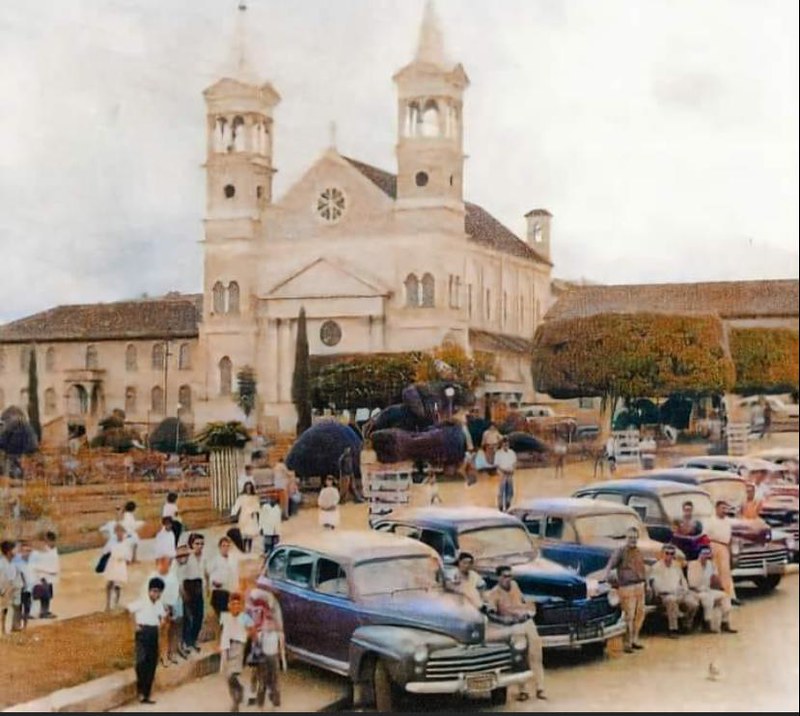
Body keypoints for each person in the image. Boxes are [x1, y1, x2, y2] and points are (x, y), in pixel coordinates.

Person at [485, 566, 546, 702]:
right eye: (505, 576)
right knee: (520, 657)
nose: (508, 579)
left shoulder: (515, 585)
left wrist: (527, 612)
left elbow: (522, 602)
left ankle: (540, 688)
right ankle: (522, 690)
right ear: (498, 577)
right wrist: (507, 620)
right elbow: (491, 613)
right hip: (513, 626)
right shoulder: (494, 593)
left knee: (536, 655)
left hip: (526, 622)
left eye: (509, 576)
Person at [604, 526, 647, 653]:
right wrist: (607, 579)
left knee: (640, 614)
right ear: (626, 538)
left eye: (634, 537)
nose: (632, 540)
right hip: (627, 587)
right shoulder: (621, 551)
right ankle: (627, 643)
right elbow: (610, 566)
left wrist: (646, 584)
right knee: (629, 615)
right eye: (630, 537)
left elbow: (642, 569)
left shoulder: (638, 551)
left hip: (640, 586)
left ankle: (635, 640)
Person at [128, 576, 166, 705]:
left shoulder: (159, 603)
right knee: (141, 663)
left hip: (153, 632)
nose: (156, 594)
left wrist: (161, 622)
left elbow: (162, 616)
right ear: (149, 591)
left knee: (152, 663)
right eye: (154, 591)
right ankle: (140, 692)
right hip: (143, 633)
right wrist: (135, 625)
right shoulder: (142, 601)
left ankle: (147, 693)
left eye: (159, 592)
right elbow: (129, 610)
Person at [648, 544, 699, 638]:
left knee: (693, 603)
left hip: (678, 593)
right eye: (667, 553)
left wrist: (685, 590)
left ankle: (686, 625)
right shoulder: (656, 567)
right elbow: (656, 586)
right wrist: (670, 592)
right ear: (662, 554)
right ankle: (673, 629)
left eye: (672, 554)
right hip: (664, 595)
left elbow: (683, 580)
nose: (669, 556)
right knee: (671, 600)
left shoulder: (676, 566)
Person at [245, 587, 284, 708]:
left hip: (261, 637)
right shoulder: (259, 602)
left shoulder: (269, 605)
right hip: (258, 637)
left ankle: (256, 694)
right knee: (256, 669)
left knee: (259, 671)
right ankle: (254, 693)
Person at [220, 592, 256, 713]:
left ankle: (236, 702)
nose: (235, 606)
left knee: (232, 674)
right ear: (229, 605)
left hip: (238, 645)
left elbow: (253, 631)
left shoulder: (245, 618)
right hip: (226, 646)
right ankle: (240, 692)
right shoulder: (225, 616)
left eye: (238, 604)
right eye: (233, 604)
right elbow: (222, 631)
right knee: (227, 676)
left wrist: (250, 636)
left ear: (241, 606)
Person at [687, 547, 737, 634]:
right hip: (695, 591)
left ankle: (725, 623)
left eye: (707, 554)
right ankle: (707, 623)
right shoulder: (693, 565)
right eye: (704, 554)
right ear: (699, 555)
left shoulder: (710, 564)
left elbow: (715, 580)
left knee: (725, 596)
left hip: (708, 589)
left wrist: (718, 582)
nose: (705, 556)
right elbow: (692, 584)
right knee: (708, 598)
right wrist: (701, 589)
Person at [703, 500, 739, 605]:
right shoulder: (710, 521)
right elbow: (705, 536)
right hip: (713, 545)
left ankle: (730, 596)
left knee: (726, 573)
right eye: (722, 508)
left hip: (724, 547)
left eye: (726, 509)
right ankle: (717, 596)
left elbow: (730, 537)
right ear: (716, 509)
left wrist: (730, 551)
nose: (724, 511)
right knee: (714, 572)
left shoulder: (728, 522)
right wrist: (708, 549)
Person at [206, 535, 240, 633]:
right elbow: (208, 573)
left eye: (227, 546)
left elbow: (235, 575)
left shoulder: (233, 559)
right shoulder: (215, 560)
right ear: (220, 547)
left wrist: (236, 590)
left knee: (232, 615)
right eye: (223, 546)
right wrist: (213, 584)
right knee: (224, 616)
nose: (225, 548)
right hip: (219, 592)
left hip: (231, 591)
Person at [180, 532, 206, 654]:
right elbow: (180, 575)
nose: (199, 546)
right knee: (188, 617)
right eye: (196, 543)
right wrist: (183, 591)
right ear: (191, 544)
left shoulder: (204, 557)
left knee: (199, 616)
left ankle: (193, 640)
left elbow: (204, 574)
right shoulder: (187, 557)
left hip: (198, 586)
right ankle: (185, 642)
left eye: (201, 544)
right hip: (188, 585)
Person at [104, 522, 133, 611]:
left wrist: (125, 559)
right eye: (117, 531)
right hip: (112, 564)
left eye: (121, 531)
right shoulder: (112, 542)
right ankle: (108, 604)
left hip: (120, 566)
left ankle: (116, 603)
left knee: (118, 586)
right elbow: (106, 551)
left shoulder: (126, 543)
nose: (119, 533)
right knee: (110, 584)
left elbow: (128, 556)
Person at [32, 531, 60, 618]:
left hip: (50, 576)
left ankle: (45, 611)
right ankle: (43, 612)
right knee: (44, 595)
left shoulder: (53, 550)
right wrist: (43, 575)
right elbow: (36, 566)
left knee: (47, 595)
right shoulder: (40, 552)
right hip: (43, 576)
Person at [231, 482, 261, 554]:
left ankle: (249, 548)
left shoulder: (254, 497)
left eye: (250, 488)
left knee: (250, 533)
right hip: (244, 516)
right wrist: (233, 513)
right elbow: (237, 505)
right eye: (247, 488)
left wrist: (256, 512)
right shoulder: (242, 497)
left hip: (252, 517)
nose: (248, 489)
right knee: (244, 533)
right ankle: (244, 547)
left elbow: (257, 506)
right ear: (245, 488)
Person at [13, 541, 35, 629]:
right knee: (17, 608)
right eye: (25, 550)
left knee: (27, 607)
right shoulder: (17, 561)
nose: (27, 553)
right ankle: (16, 626)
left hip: (29, 589)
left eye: (29, 551)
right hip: (19, 589)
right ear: (21, 551)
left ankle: (25, 626)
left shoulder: (33, 562)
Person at [494, 438, 517, 512]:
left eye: (507, 443)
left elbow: (514, 463)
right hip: (502, 474)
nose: (506, 445)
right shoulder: (498, 453)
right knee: (501, 491)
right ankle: (500, 507)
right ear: (502, 444)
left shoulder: (512, 452)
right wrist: (504, 470)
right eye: (504, 444)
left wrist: (512, 469)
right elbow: (497, 465)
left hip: (510, 474)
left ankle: (508, 505)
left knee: (510, 491)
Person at [1, 540, 18, 634]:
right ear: (8, 552)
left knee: (4, 609)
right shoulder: (2, 564)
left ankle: (3, 629)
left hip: (8, 590)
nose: (16, 552)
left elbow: (12, 579)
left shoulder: (12, 563)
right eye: (14, 549)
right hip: (3, 590)